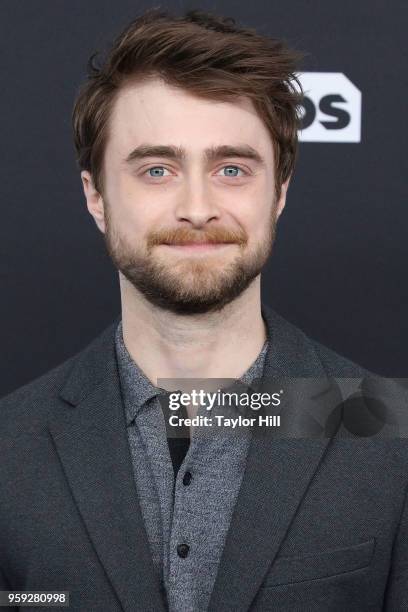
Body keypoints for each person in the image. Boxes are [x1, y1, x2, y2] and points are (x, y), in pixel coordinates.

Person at [0, 8, 407, 612]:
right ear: (96, 196)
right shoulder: (11, 443)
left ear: (280, 193)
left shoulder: (388, 431)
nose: (197, 206)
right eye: (157, 169)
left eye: (232, 169)